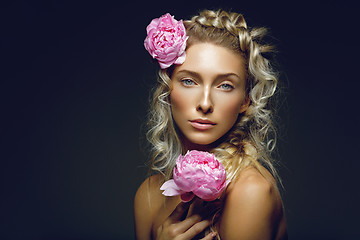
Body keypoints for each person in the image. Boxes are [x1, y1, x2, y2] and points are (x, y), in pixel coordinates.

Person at [134, 9, 287, 240]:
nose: (205, 103)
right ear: (168, 89)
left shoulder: (250, 191)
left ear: (246, 99)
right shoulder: (148, 195)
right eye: (189, 81)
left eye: (225, 85)